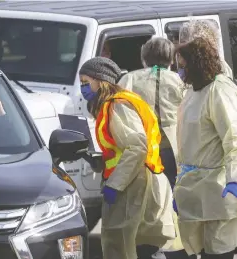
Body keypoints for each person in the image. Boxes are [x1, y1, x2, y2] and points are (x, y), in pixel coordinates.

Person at [173, 38, 237, 259]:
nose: (179, 72)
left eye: (182, 66)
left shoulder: (219, 91)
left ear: (196, 63)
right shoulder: (193, 92)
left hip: (218, 186)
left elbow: (235, 140)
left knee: (218, 249)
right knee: (195, 247)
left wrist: (235, 179)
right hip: (194, 186)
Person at [79, 56, 176, 259]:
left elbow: (136, 146)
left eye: (86, 83)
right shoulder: (113, 104)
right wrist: (97, 161)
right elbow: (120, 150)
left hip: (135, 183)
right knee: (140, 245)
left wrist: (115, 184)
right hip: (133, 181)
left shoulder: (118, 105)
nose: (83, 88)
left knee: (130, 246)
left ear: (101, 80)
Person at [118, 36, 193, 259]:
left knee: (147, 202)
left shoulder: (130, 78)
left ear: (144, 57)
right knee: (173, 198)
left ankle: (149, 246)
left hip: (144, 149)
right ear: (171, 58)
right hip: (173, 148)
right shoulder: (180, 81)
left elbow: (119, 106)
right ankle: (176, 245)